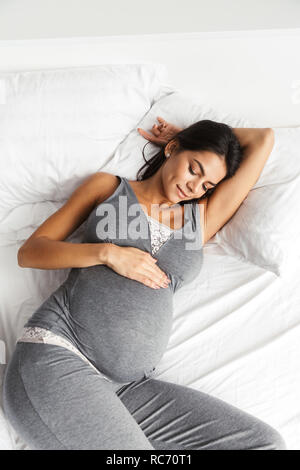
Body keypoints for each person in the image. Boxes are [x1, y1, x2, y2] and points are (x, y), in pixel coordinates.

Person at [2, 117, 286, 450]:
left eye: (207, 185)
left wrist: (186, 136)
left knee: (264, 444)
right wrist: (108, 253)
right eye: (194, 169)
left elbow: (263, 139)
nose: (195, 188)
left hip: (126, 389)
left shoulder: (200, 220)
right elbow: (31, 251)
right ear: (172, 149)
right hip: (58, 358)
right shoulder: (109, 189)